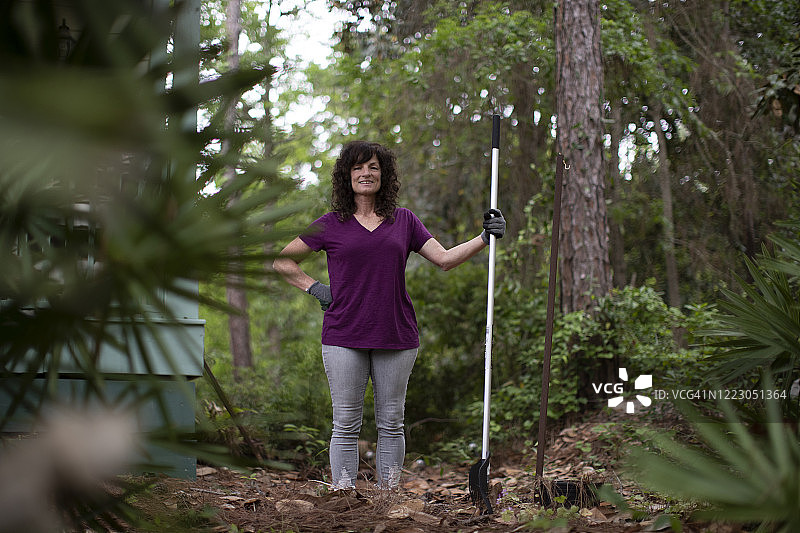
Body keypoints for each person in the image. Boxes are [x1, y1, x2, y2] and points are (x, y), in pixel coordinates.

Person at [273, 140, 505, 490]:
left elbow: (444, 259)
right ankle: (344, 496)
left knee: (392, 422)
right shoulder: (330, 224)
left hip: (396, 334)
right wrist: (315, 288)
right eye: (358, 168)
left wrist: (485, 238)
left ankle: (389, 496)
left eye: (373, 167)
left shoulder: (404, 221)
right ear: (346, 176)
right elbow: (282, 260)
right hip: (343, 335)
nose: (366, 173)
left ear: (384, 175)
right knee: (346, 423)